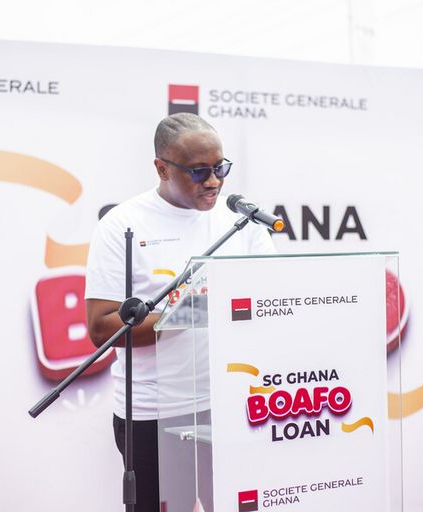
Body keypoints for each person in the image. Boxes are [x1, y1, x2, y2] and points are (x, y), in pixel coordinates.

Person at [85, 112, 275, 511]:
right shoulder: (122, 225)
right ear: (162, 168)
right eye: (199, 171)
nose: (214, 181)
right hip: (155, 415)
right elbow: (102, 328)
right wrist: (191, 314)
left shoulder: (241, 222)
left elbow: (269, 302)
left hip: (230, 404)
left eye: (221, 168)